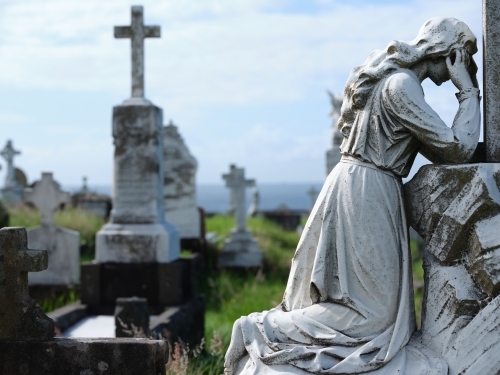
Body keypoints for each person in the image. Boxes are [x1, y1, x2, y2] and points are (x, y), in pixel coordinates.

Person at [224, 17, 480, 375]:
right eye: (465, 56)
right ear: (447, 51)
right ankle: (259, 328)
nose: (467, 66)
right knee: (372, 318)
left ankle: (273, 329)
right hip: (367, 194)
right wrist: (468, 92)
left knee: (372, 311)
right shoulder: (402, 86)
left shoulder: (397, 81)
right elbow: (456, 150)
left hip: (361, 186)